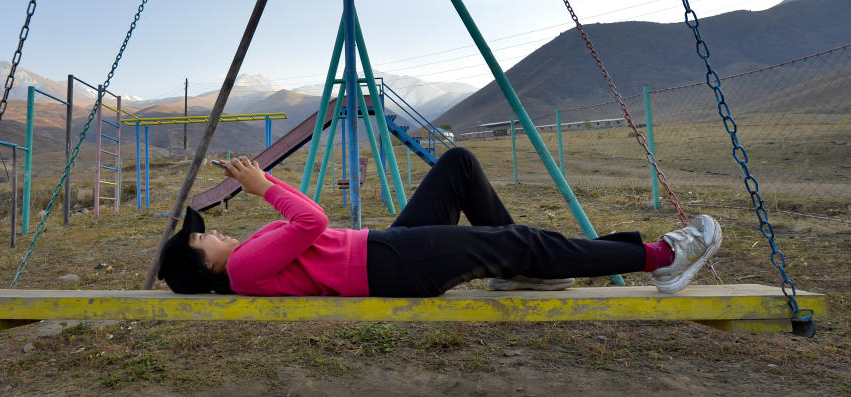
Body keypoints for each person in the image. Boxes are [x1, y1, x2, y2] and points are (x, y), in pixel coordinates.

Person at [157, 147, 721, 297]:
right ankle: (663, 258)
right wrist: (264, 190)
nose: (212, 233)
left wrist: (269, 186)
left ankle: (525, 265)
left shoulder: (247, 260)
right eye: (203, 238)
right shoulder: (244, 268)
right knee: (518, 241)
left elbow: (309, 224)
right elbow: (312, 219)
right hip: (389, 268)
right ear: (204, 265)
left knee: (457, 167)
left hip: (383, 250)